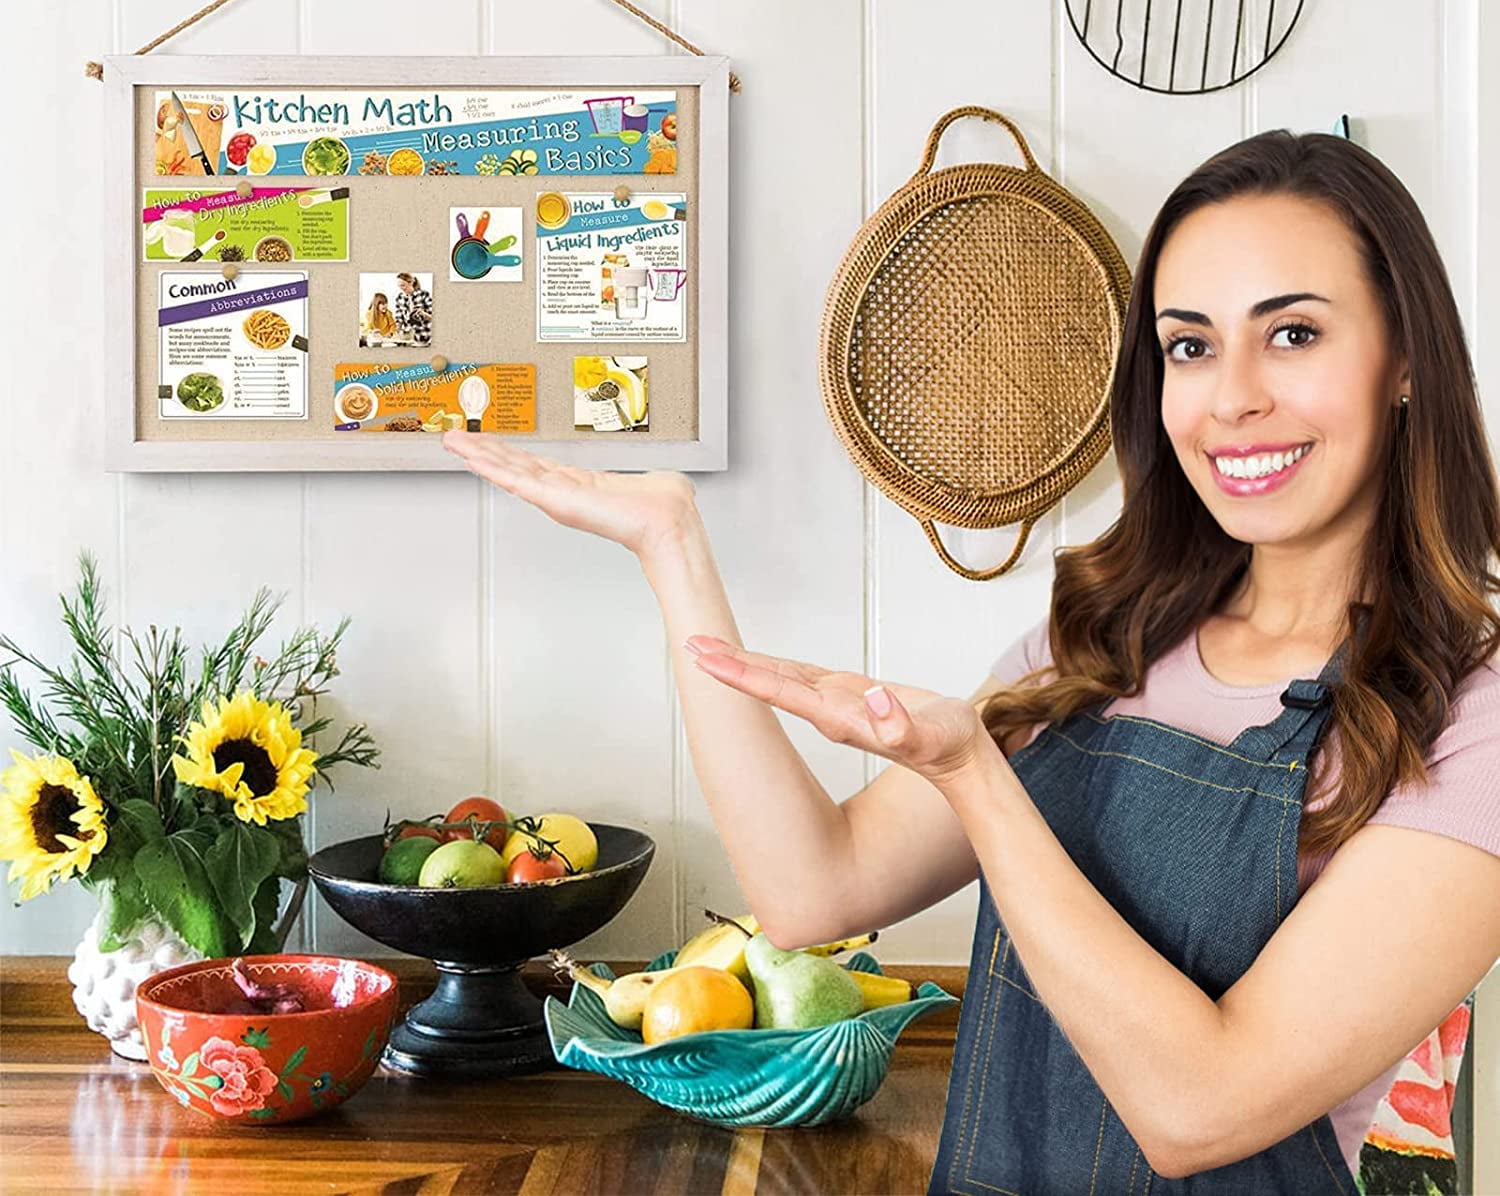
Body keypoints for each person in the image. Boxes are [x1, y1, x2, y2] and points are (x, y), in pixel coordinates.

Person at [442, 131, 1500, 1194]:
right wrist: (671, 552)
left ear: (1404, 358)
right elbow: (817, 890)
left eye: (1294, 334)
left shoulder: (1469, 716)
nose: (1230, 398)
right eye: (1190, 346)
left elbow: (1200, 1109)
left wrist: (977, 782)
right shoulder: (1108, 636)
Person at [394, 272, 432, 347]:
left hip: (423, 337)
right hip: (407, 338)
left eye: (403, 286)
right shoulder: (400, 298)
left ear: (411, 283)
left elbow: (434, 317)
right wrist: (397, 329)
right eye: (399, 286)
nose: (401, 289)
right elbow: (399, 318)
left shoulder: (424, 294)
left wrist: (423, 314)